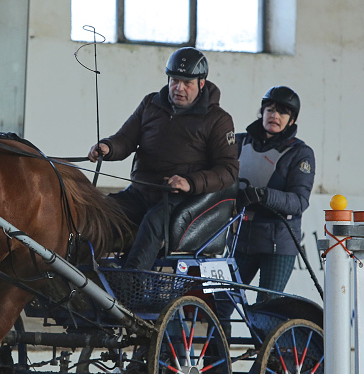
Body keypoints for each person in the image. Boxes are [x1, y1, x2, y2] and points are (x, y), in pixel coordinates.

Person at [88, 47, 238, 269]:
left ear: (201, 83)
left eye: (187, 83)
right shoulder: (150, 104)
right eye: (175, 81)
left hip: (181, 200)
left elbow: (228, 171)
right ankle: (86, 274)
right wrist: (108, 147)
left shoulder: (218, 120)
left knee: (153, 222)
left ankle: (132, 287)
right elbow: (125, 139)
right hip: (140, 191)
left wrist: (189, 182)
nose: (179, 88)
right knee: (100, 212)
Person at [233, 86, 316, 301]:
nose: (274, 116)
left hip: (278, 245)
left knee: (266, 308)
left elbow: (299, 202)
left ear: (291, 120)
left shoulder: (300, 153)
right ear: (262, 113)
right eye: (269, 110)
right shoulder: (238, 143)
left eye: (282, 112)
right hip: (241, 239)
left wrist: (263, 195)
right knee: (222, 301)